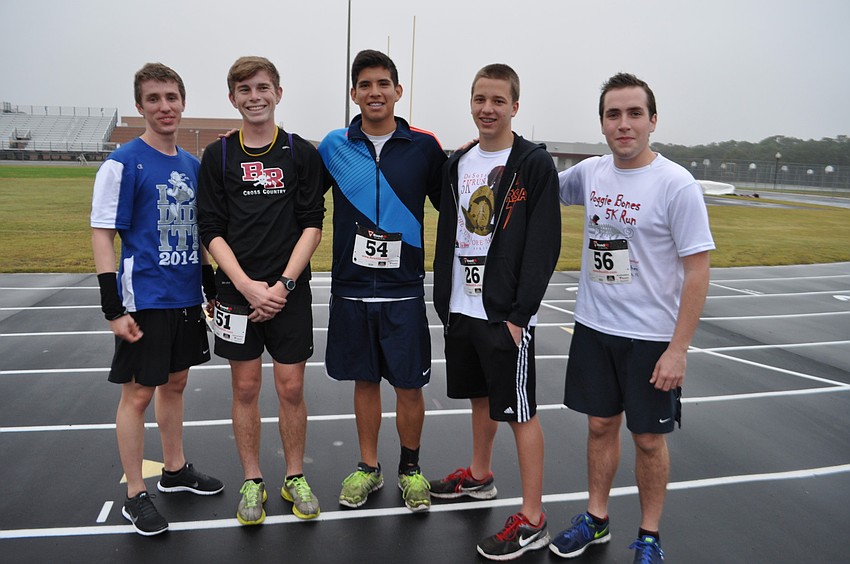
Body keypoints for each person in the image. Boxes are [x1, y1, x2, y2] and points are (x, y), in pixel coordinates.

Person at [548, 73, 714, 564]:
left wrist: (678, 349)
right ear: (602, 123)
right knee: (600, 427)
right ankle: (596, 520)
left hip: (651, 339)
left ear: (652, 120)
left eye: (634, 113)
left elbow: (698, 272)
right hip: (595, 329)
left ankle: (649, 536)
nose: (624, 124)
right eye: (613, 114)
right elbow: (541, 188)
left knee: (646, 439)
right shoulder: (592, 173)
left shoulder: (676, 184)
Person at [431, 63, 561, 560]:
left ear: (514, 106)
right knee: (480, 398)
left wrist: (520, 313)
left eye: (498, 100)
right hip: (463, 307)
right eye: (480, 99)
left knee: (520, 412)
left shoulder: (532, 163)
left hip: (504, 311)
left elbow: (544, 243)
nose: (488, 108)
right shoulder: (459, 161)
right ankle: (480, 477)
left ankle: (533, 518)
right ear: (471, 102)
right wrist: (445, 300)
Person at [91, 62, 223, 537]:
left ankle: (174, 469)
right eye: (153, 99)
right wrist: (113, 307)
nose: (164, 107)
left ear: (183, 102)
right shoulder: (123, 163)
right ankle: (134, 493)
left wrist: (209, 289)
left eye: (171, 97)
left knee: (176, 384)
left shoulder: (193, 166)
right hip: (144, 296)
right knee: (138, 394)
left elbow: (200, 234)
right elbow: (103, 234)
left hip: (185, 296)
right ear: (140, 105)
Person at [197, 56, 325, 525]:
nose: (255, 96)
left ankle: (294, 476)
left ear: (278, 92)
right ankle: (252, 480)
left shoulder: (299, 152)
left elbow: (314, 224)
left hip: (288, 292)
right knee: (245, 387)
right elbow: (209, 227)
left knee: (291, 388)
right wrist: (247, 287)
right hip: (237, 295)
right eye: (245, 89)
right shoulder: (219, 155)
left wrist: (283, 285)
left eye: (263, 87)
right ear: (233, 98)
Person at [318, 49, 446, 512]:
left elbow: (453, 210)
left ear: (398, 90)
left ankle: (410, 469)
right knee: (364, 380)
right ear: (353, 93)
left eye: (383, 84)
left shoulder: (425, 146)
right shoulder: (333, 146)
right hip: (350, 290)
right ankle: (368, 467)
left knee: (409, 385)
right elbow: (303, 208)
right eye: (365, 85)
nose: (375, 92)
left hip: (404, 290)